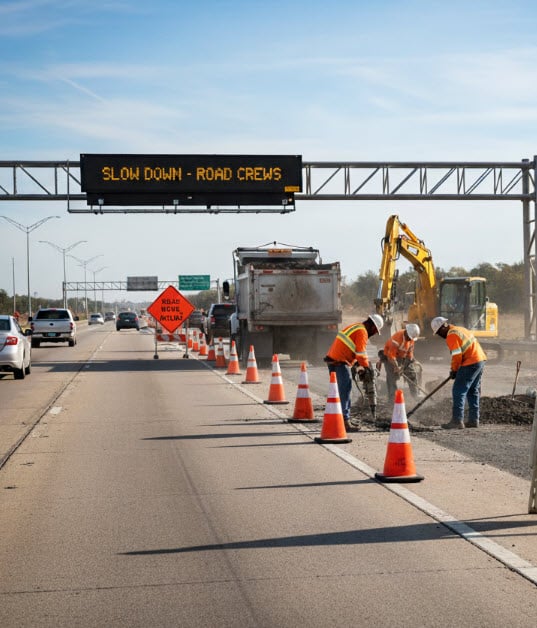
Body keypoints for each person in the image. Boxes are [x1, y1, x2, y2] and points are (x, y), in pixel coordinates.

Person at [324, 314, 383, 431]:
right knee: (345, 391)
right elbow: (360, 353)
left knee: (337, 392)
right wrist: (368, 368)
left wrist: (357, 365)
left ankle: (336, 420)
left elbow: (352, 349)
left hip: (333, 359)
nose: (374, 334)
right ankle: (344, 422)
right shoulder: (363, 332)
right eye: (375, 331)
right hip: (340, 361)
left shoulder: (357, 327)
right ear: (372, 327)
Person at [431, 316, 487, 429]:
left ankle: (457, 421)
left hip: (470, 362)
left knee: (458, 391)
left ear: (443, 327)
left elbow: (457, 355)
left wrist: (454, 370)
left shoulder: (451, 335)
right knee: (473, 391)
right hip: (480, 360)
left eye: (438, 332)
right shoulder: (461, 329)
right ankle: (474, 420)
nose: (439, 335)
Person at [378, 323, 421, 403]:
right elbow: (391, 356)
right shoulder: (396, 338)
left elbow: (409, 355)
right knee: (392, 378)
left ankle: (416, 395)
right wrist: (397, 367)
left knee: (412, 374)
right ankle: (392, 399)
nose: (410, 339)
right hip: (389, 357)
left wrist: (403, 367)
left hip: (402, 357)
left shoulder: (411, 339)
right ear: (406, 332)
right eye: (409, 337)